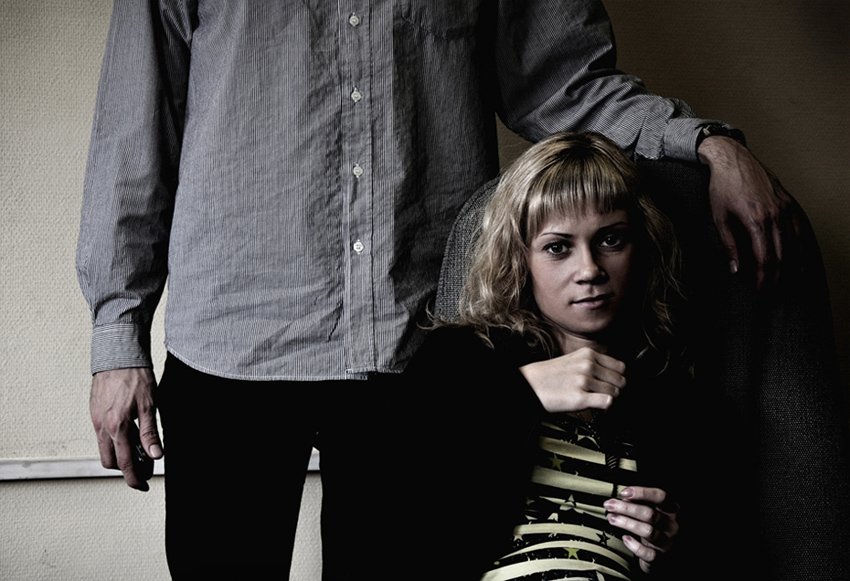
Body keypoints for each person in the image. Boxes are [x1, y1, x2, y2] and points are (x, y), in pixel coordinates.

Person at [75, 2, 801, 579]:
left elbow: (565, 81)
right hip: (232, 339)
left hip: (416, 350)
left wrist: (706, 142)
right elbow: (134, 130)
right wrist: (118, 335)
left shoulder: (475, 378)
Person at [397, 131, 695, 580]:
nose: (589, 269)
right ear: (521, 259)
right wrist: (520, 392)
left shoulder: (669, 392)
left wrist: (668, 545)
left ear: (641, 246)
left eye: (611, 240)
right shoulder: (460, 360)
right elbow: (399, 511)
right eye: (558, 247)